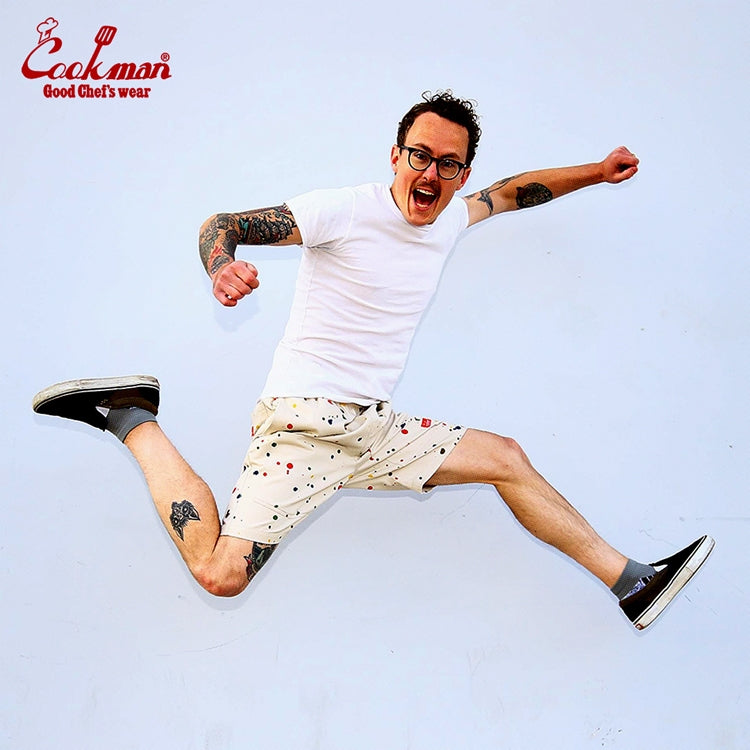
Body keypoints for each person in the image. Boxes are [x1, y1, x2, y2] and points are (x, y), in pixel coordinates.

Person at [33, 91, 713, 630]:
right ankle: (130, 416)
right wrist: (221, 266)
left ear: (461, 174)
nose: (431, 173)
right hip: (304, 425)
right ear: (395, 156)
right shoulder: (344, 211)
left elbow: (513, 191)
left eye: (448, 164)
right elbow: (224, 224)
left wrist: (596, 172)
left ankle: (633, 583)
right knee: (220, 574)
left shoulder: (451, 217)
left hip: (373, 429)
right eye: (420, 155)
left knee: (505, 457)